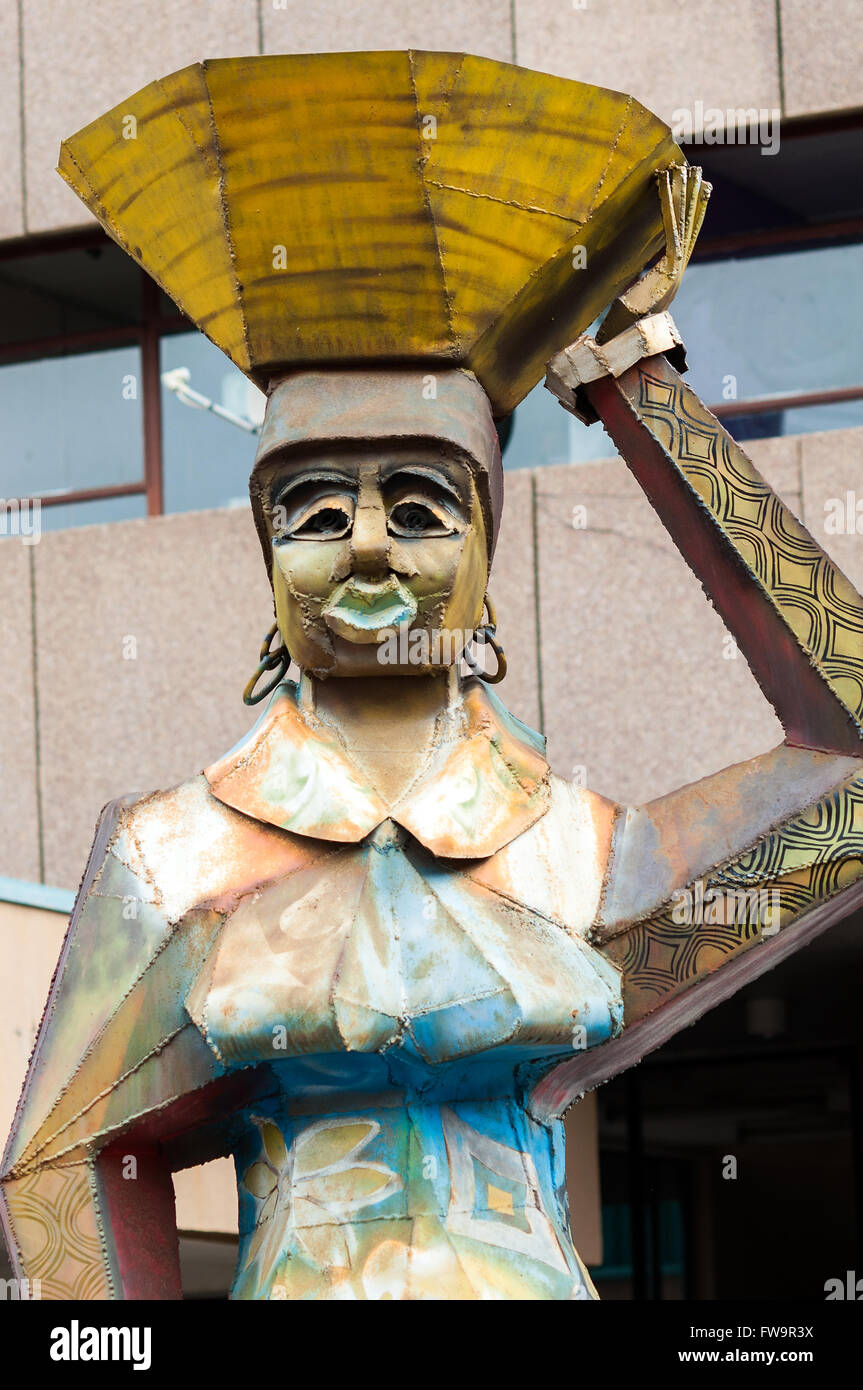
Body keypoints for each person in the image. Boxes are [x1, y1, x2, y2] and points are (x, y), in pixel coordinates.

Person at [4, 52, 863, 1302]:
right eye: (311, 507)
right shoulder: (168, 857)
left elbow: (846, 759)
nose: (364, 541)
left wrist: (633, 380)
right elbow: (63, 1173)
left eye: (418, 503)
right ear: (264, 558)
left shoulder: (581, 855)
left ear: (483, 563)